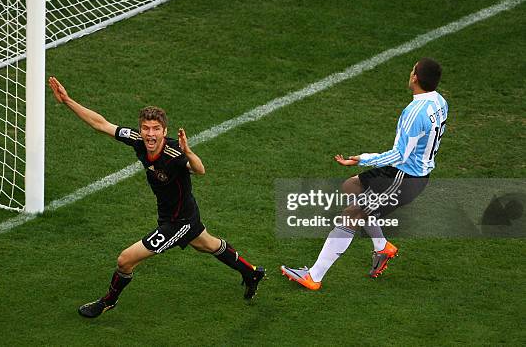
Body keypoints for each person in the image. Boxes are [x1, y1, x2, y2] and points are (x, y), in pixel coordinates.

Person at [48, 77, 265, 317]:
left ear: (165, 131)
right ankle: (251, 272)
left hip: (179, 222)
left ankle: (108, 301)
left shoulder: (174, 153)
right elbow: (101, 124)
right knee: (207, 244)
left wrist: (189, 152)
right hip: (173, 213)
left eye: (156, 129)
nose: (150, 134)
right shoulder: (138, 141)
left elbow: (200, 170)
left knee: (125, 260)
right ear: (141, 129)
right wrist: (67, 101)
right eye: (146, 128)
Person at [281, 58, 448, 290]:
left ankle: (314, 277)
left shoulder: (414, 112)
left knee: (350, 216)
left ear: (415, 78)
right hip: (410, 171)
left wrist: (362, 158)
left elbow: (399, 155)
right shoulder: (439, 102)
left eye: (412, 70)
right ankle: (382, 246)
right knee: (351, 187)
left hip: (404, 177)